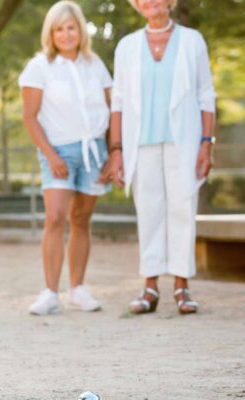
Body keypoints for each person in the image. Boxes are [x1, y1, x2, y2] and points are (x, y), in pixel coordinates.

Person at [108, 0, 216, 315]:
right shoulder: (127, 46)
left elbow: (205, 95)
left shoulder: (192, 40)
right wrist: (116, 151)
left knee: (183, 209)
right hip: (140, 145)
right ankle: (150, 287)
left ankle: (182, 286)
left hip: (183, 142)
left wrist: (206, 143)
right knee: (150, 213)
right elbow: (119, 101)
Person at [19, 0, 113, 316]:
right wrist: (51, 155)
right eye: (59, 28)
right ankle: (49, 292)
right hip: (57, 149)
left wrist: (114, 153)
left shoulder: (95, 65)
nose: (66, 33)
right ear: (51, 32)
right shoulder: (38, 67)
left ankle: (78, 289)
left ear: (80, 29)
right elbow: (30, 117)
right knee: (56, 216)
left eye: (71, 27)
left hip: (94, 150)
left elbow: (113, 110)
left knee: (81, 219)